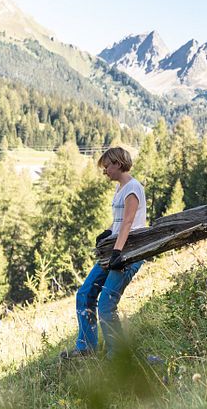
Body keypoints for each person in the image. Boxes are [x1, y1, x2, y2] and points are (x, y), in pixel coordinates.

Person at [61, 147, 147, 359]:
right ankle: (86, 348)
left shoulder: (133, 188)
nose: (105, 171)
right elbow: (119, 221)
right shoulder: (121, 188)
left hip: (129, 251)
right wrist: (109, 232)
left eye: (107, 166)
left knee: (107, 304)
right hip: (114, 249)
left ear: (118, 164)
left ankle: (117, 356)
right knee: (85, 293)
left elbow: (129, 222)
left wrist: (118, 252)